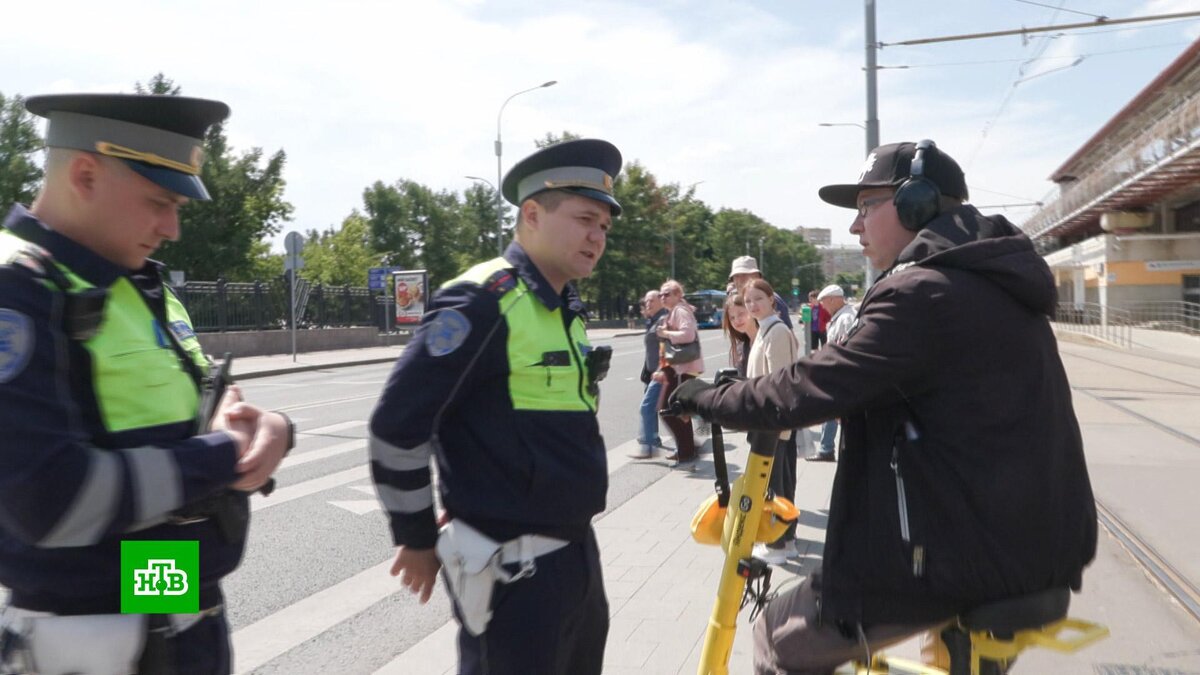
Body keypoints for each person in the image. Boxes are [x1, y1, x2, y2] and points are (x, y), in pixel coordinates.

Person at [669, 140, 1096, 674]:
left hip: (959, 561)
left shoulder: (923, 294)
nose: (855, 226)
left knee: (779, 636)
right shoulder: (993, 285)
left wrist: (711, 399)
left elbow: (813, 387)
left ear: (917, 203)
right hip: (1029, 548)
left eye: (866, 207)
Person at [0, 93, 294, 674]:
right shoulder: (18, 288)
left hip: (166, 613)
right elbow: (50, 503)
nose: (173, 227)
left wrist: (271, 429)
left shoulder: (126, 279)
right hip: (86, 642)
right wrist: (222, 455)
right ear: (84, 173)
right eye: (159, 202)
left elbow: (182, 418)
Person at [368, 139, 621, 675]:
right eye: (584, 219)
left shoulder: (561, 307)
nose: (597, 236)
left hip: (573, 558)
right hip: (514, 573)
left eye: (604, 225)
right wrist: (415, 539)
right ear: (531, 214)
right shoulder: (483, 300)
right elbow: (397, 425)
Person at [742, 279, 801, 565]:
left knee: (774, 485)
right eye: (748, 301)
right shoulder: (766, 329)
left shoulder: (775, 332)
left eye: (758, 299)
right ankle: (785, 540)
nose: (753, 305)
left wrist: (772, 424)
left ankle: (778, 544)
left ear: (771, 300)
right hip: (770, 421)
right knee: (781, 483)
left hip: (771, 422)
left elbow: (779, 383)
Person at [654, 279, 704, 464]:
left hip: (683, 368)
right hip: (678, 367)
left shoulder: (680, 310)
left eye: (667, 294)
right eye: (661, 294)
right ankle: (687, 449)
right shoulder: (675, 311)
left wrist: (666, 333)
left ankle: (687, 449)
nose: (663, 297)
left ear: (678, 295)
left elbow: (688, 335)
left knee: (668, 410)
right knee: (679, 411)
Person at [810, 284, 856, 462]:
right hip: (837, 373)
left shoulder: (845, 319)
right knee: (830, 412)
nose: (823, 306)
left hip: (840, 374)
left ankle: (826, 449)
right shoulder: (843, 316)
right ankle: (826, 448)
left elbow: (843, 348)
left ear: (833, 300)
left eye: (824, 302)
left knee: (832, 411)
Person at [630, 289, 669, 459]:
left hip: (662, 373)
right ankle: (650, 439)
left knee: (648, 408)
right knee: (654, 408)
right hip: (652, 373)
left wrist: (662, 368)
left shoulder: (663, 320)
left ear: (661, 301)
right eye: (646, 302)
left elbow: (667, 346)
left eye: (651, 301)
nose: (648, 304)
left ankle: (649, 446)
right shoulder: (654, 320)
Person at [728, 255, 792, 330]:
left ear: (757, 276)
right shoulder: (737, 300)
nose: (739, 280)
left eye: (744, 275)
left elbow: (787, 334)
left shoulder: (771, 300)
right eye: (736, 276)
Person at [721, 292, 755, 376]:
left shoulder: (766, 338)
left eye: (741, 314)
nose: (737, 320)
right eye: (732, 318)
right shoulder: (742, 346)